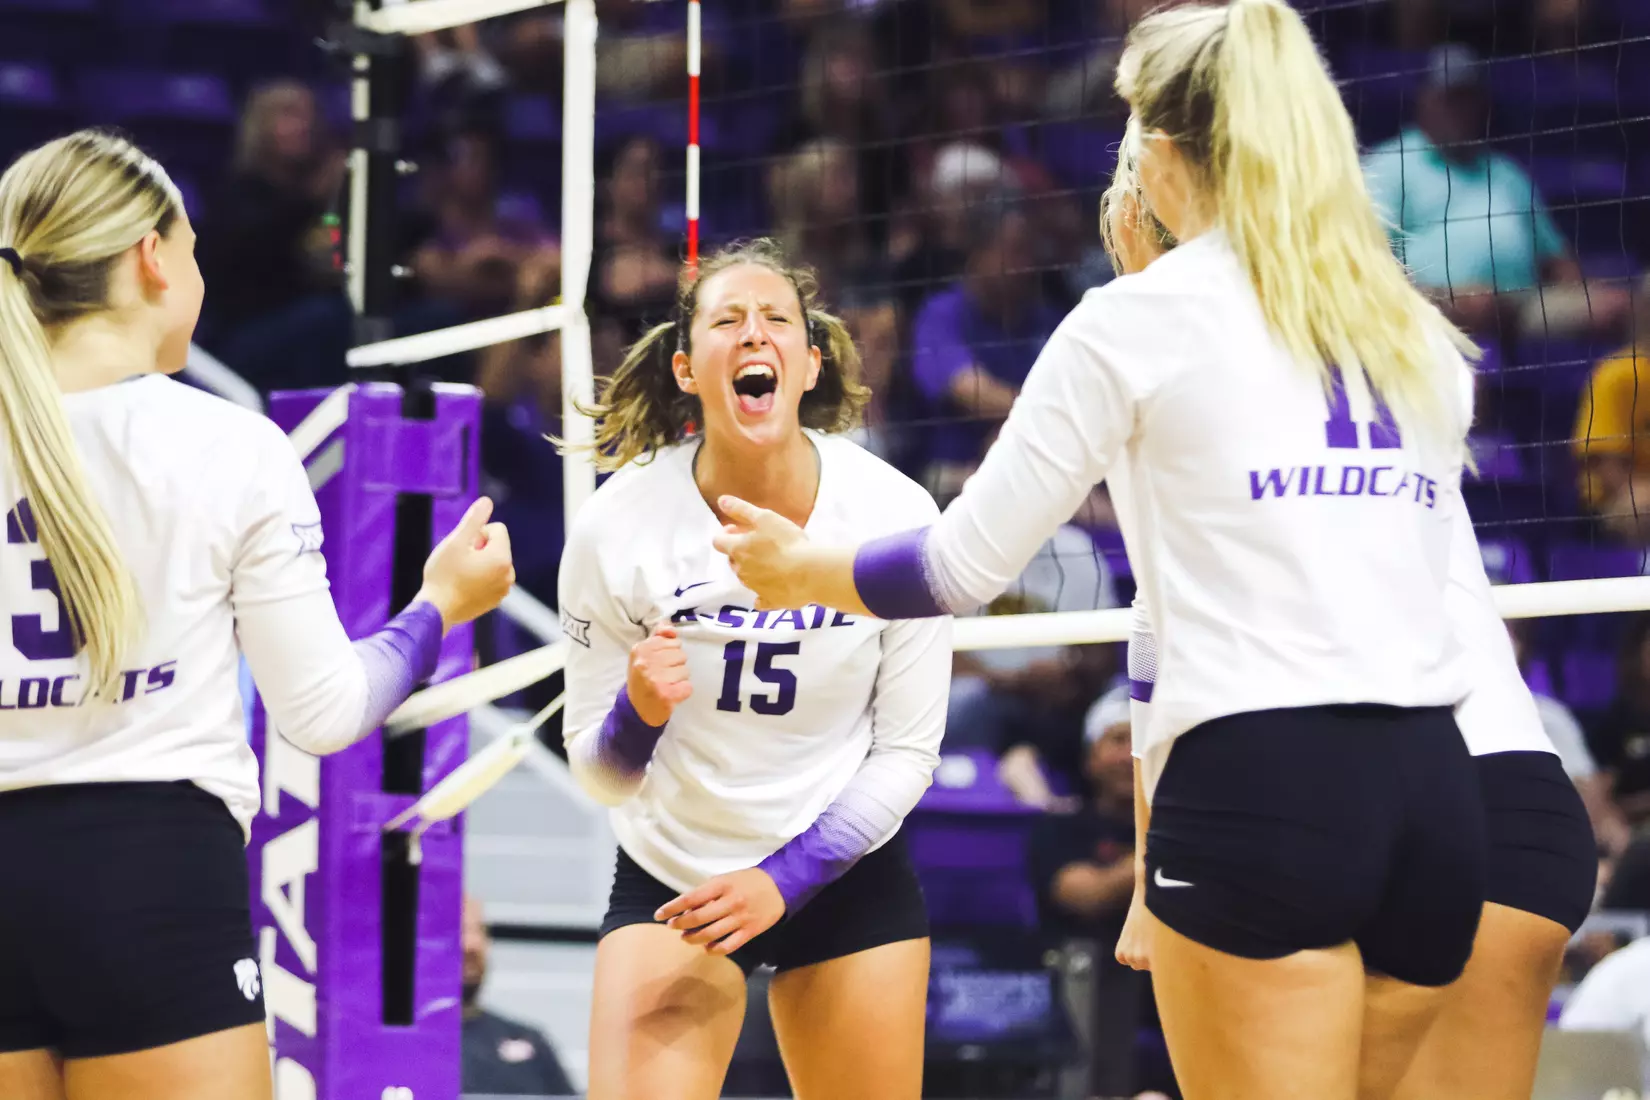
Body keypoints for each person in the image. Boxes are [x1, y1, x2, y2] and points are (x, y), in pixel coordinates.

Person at [713, 2, 1497, 1097]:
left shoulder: (1134, 322)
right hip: (1436, 800)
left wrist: (808, 572)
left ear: (1165, 152)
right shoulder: (1417, 333)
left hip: (1264, 786)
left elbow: (957, 568)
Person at [0, 130, 515, 1100]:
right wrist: (439, 606)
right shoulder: (225, 445)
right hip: (147, 878)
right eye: (191, 246)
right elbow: (322, 710)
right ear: (151, 257)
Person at [1110, 117, 1597, 1100]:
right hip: (1522, 808)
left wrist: (1147, 874)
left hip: (1328, 809)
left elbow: (1168, 642)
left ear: (1140, 213)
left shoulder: (1155, 354)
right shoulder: (1382, 348)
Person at [556, 239, 950, 1100]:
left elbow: (908, 755)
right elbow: (598, 772)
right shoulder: (616, 526)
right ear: (687, 367)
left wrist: (785, 880)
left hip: (840, 867)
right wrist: (636, 716)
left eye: (777, 320)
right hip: (678, 871)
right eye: (726, 321)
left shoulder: (892, 513)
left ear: (810, 364)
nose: (753, 336)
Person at [461, 897, 575, 1097]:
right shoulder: (403, 1045)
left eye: (480, 930)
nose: (473, 944)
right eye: (458, 930)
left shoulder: (529, 1041)